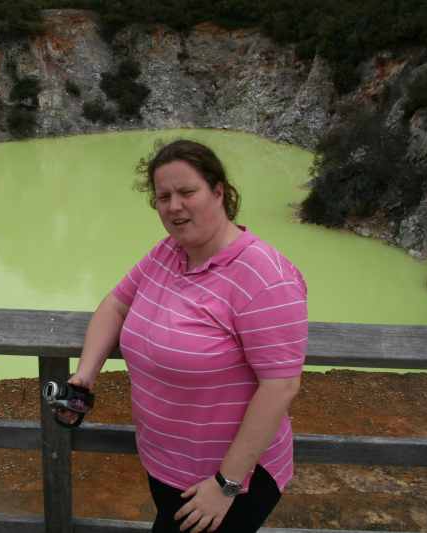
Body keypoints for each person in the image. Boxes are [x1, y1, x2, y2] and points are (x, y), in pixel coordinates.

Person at [69, 139, 308, 533]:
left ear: (218, 192)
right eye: (163, 196)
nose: (173, 205)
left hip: (228, 482)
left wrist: (226, 485)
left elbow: (280, 386)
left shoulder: (265, 276)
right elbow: (115, 305)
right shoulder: (168, 253)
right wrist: (85, 376)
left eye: (186, 192)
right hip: (167, 466)